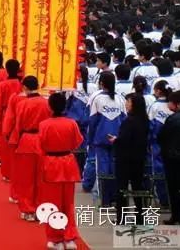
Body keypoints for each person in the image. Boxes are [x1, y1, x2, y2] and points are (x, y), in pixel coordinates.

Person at [39, 92, 84, 250]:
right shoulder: (71, 123)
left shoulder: (44, 125)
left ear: (50, 107)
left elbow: (41, 145)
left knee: (52, 204)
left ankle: (55, 238)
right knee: (68, 203)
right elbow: (77, 142)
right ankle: (69, 237)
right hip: (68, 163)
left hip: (51, 164)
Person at [12, 75, 51, 221]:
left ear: (25, 87)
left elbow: (18, 125)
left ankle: (28, 209)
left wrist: (15, 141)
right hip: (42, 141)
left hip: (27, 141)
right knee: (41, 178)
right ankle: (41, 208)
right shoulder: (46, 103)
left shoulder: (22, 104)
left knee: (27, 178)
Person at [108, 93, 149, 225]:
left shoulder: (129, 121)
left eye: (128, 102)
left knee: (122, 188)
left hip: (125, 159)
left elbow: (124, 140)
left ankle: (122, 217)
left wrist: (115, 140)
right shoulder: (145, 120)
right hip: (139, 158)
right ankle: (140, 216)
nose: (126, 104)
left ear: (134, 105)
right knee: (138, 188)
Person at [88, 72, 126, 207]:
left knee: (103, 170)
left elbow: (92, 122)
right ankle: (115, 198)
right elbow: (124, 120)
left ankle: (105, 200)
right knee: (115, 168)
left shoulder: (97, 99)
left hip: (101, 140)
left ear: (102, 83)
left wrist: (90, 140)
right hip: (118, 140)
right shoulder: (120, 99)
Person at [157, 90, 180, 225]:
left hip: (173, 159)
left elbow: (161, 137)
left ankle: (176, 216)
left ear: (178, 105)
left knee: (174, 189)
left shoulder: (172, 119)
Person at [148, 81, 173, 208]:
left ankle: (163, 200)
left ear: (158, 91)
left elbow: (150, 126)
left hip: (157, 144)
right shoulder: (173, 105)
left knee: (158, 172)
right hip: (174, 144)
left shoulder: (155, 106)